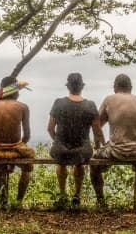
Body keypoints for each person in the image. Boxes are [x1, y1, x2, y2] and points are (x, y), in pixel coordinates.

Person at [90, 73, 136, 207]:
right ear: (131, 88)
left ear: (114, 87)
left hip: (117, 151)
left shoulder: (109, 100)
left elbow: (96, 125)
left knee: (94, 163)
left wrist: (99, 145)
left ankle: (100, 200)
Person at [47, 73, 104, 208]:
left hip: (60, 149)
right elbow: (97, 131)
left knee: (61, 164)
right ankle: (77, 195)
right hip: (82, 150)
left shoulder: (58, 103)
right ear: (81, 87)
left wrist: (58, 141)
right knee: (80, 163)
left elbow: (50, 128)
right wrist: (100, 145)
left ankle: (62, 194)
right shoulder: (90, 105)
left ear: (68, 87)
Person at [0, 76, 35, 207]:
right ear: (16, 91)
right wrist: (18, 145)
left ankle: (2, 202)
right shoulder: (23, 107)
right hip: (16, 148)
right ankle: (19, 201)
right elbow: (27, 135)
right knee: (28, 168)